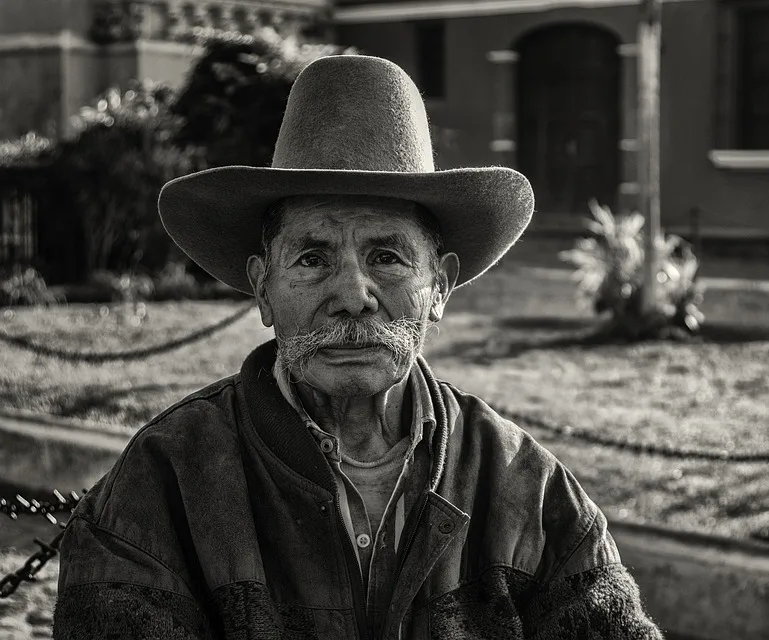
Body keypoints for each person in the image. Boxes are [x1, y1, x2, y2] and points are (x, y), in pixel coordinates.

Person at [52, 55, 662, 640]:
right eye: (313, 258)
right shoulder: (162, 483)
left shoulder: (527, 489)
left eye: (387, 257)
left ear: (440, 286)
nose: (352, 295)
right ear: (263, 287)